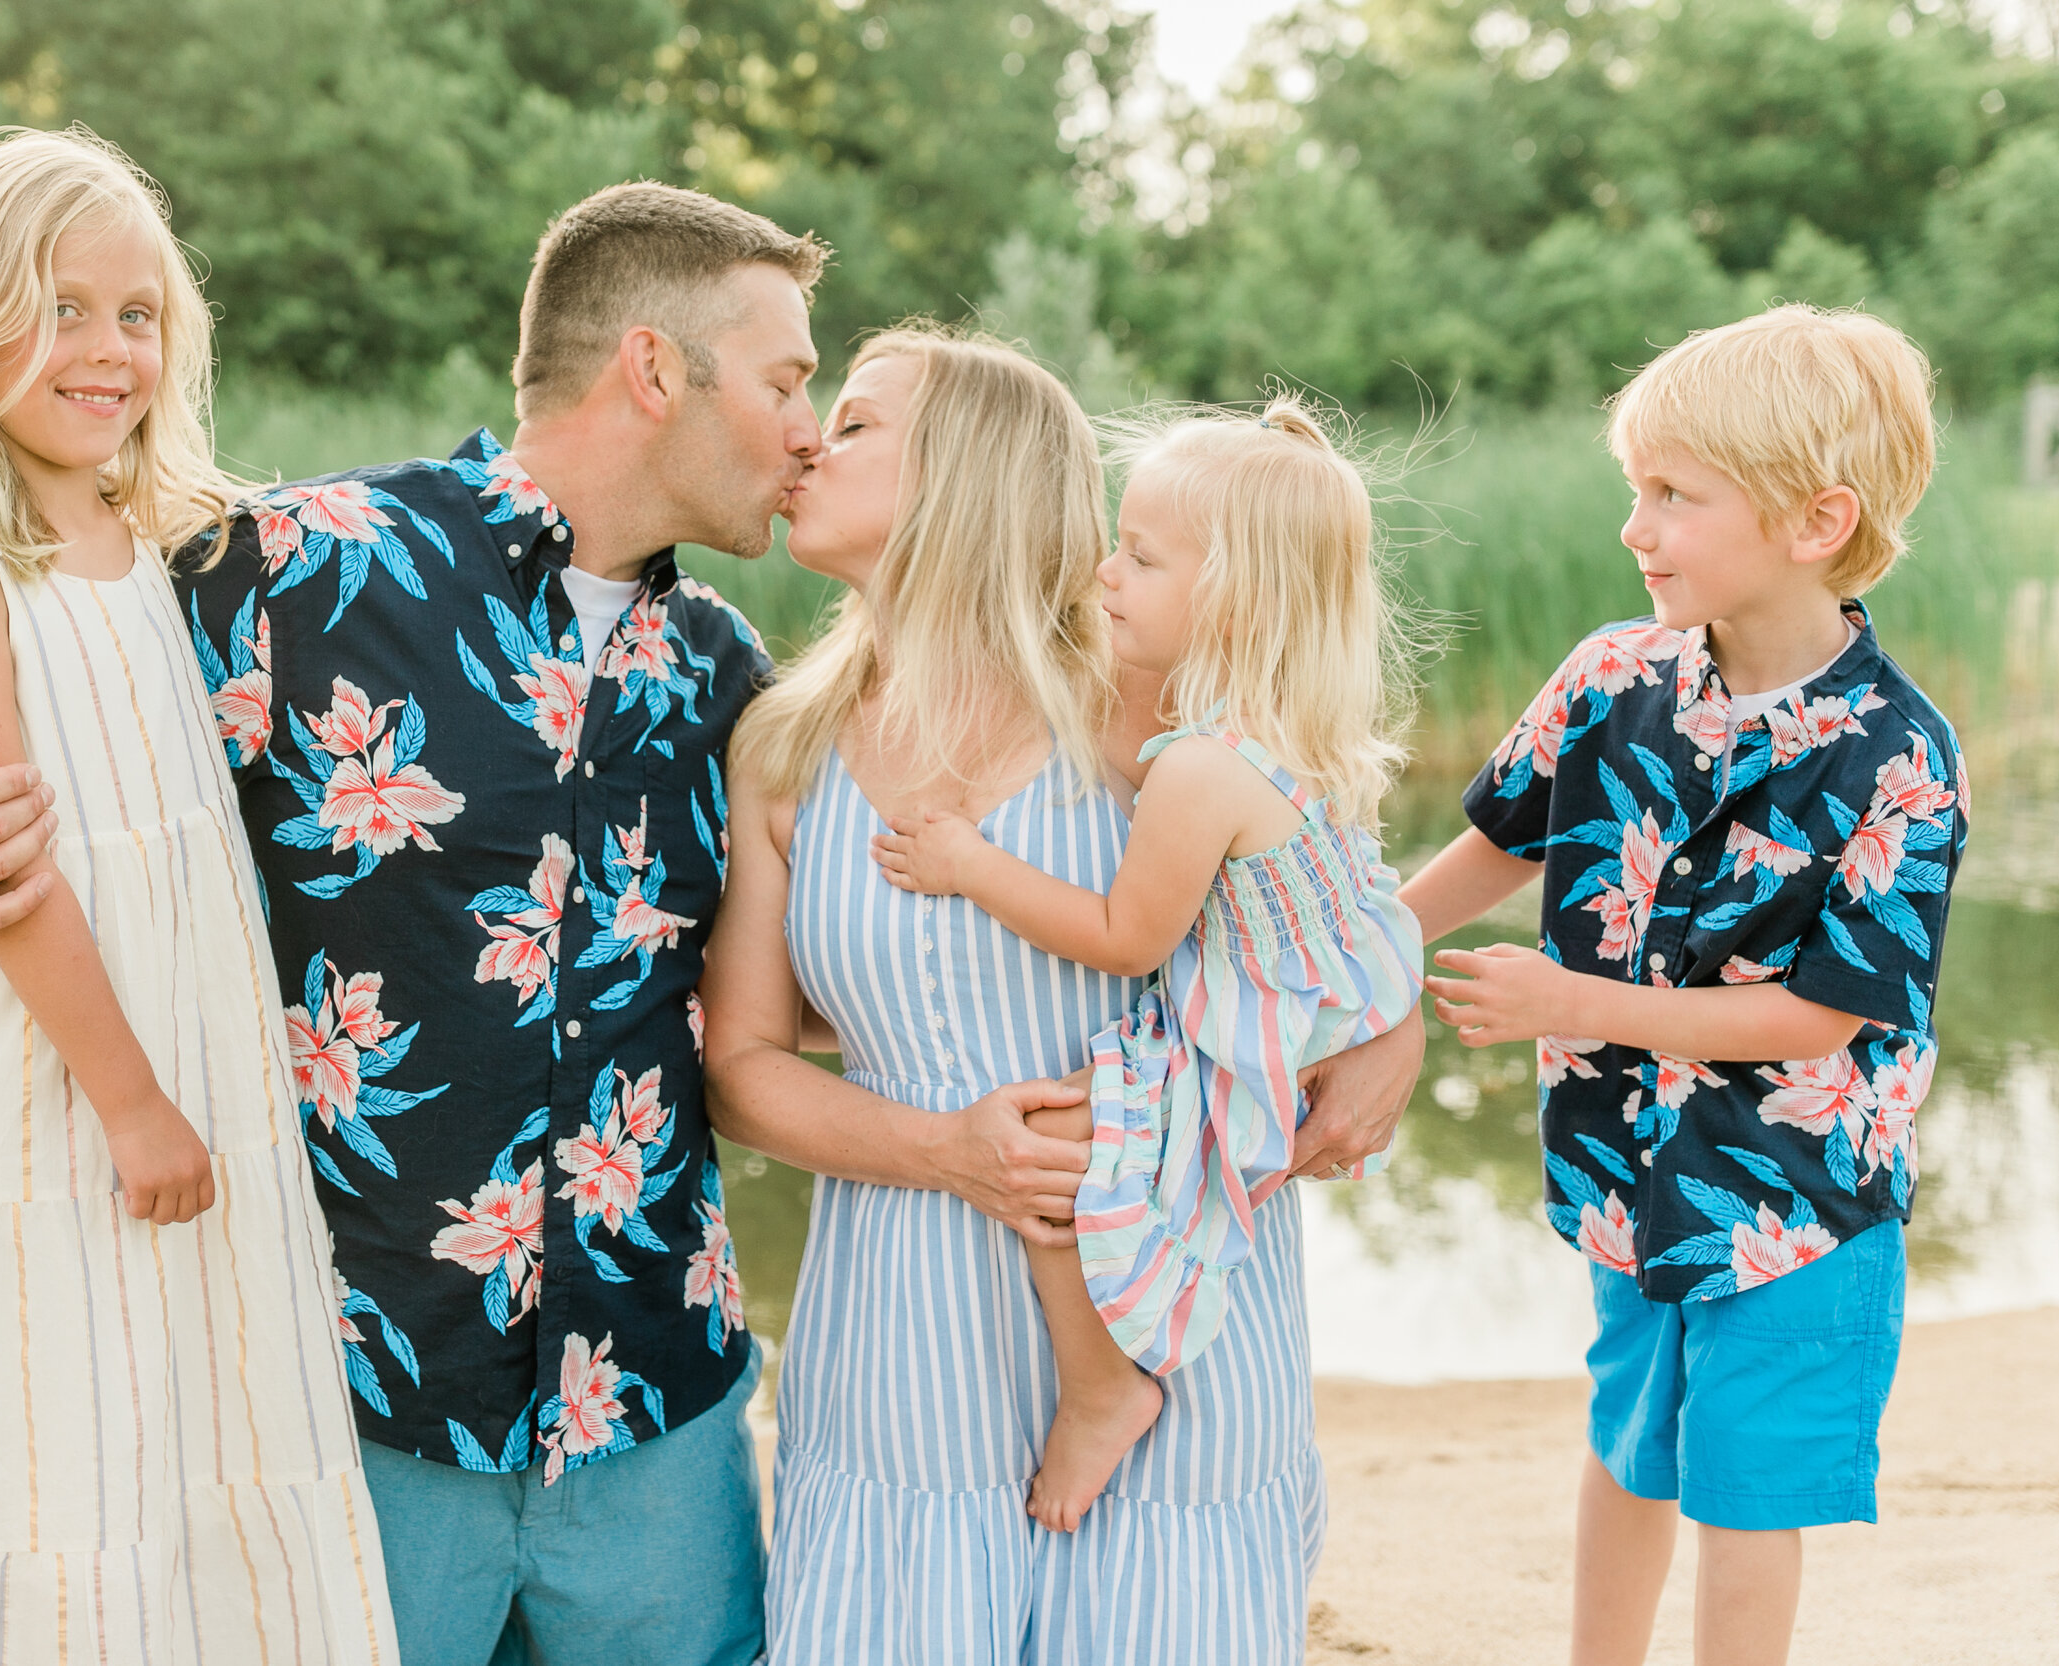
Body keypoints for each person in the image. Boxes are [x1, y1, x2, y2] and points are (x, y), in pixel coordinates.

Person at [0, 177, 829, 1666]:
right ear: (652, 369)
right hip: (353, 1405)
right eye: (786, 380)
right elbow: (55, 757)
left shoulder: (731, 675)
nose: (806, 424)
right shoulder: (292, 574)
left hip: (658, 1413)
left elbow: (858, 958)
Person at [702, 328, 1428, 1663]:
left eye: (854, 422)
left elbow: (1322, 882)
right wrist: (949, 1150)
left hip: (1176, 1323)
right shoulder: (784, 745)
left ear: (964, 472)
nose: (808, 437)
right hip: (904, 1338)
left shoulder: (1143, 704)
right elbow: (742, 1066)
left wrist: (1397, 1021)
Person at [0, 128, 395, 1661]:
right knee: (49, 1419)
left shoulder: (166, 534)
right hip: (41, 1071)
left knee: (185, 1413)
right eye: (61, 307)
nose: (107, 348)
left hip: (185, 1045)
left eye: (138, 315)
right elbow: (5, 868)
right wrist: (132, 1099)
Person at [1400, 306, 1966, 1666]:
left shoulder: (1901, 759)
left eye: (1672, 495)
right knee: (1628, 1442)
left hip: (1797, 1204)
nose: (1634, 529)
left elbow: (1819, 1015)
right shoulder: (1611, 675)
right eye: (1632, 489)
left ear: (1813, 520)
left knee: (1747, 1489)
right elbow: (1494, 839)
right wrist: (1352, 955)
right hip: (1623, 1170)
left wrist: (1572, 1002)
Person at [867, 396, 1426, 1531]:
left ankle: (1102, 1386)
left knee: (1071, 1141)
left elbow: (1128, 936)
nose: (1104, 572)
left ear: (1229, 596)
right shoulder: (1261, 726)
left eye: (1138, 555)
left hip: (1264, 1021)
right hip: (1326, 977)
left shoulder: (1203, 771)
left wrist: (967, 861)